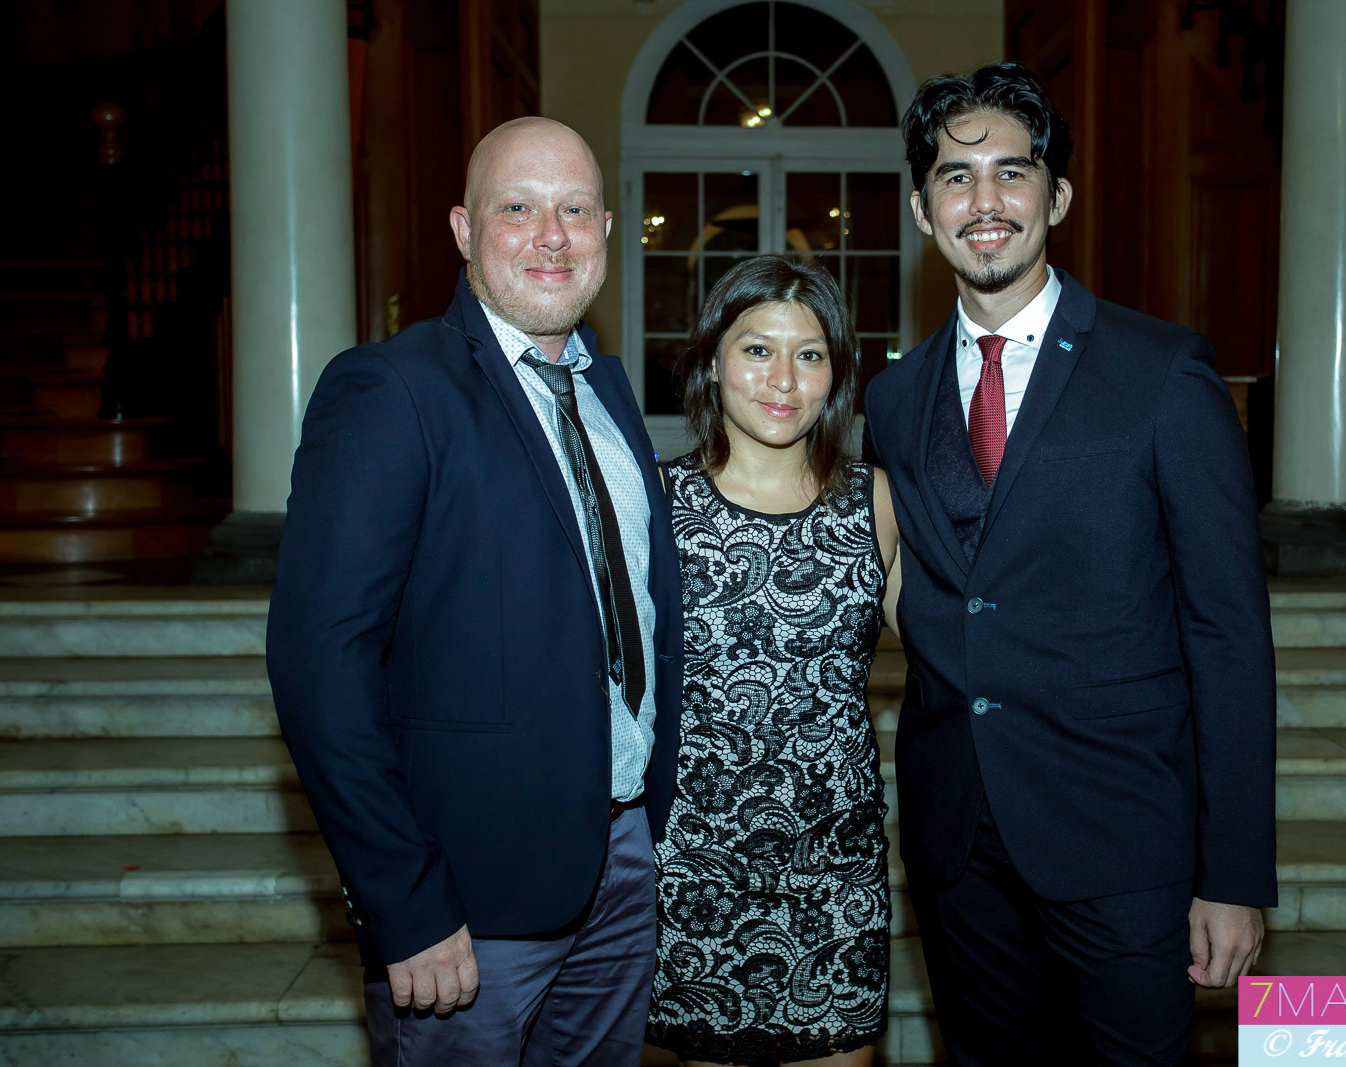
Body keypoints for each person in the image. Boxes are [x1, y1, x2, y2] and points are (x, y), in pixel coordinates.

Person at [860, 62, 1277, 1066]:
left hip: (1122, 837)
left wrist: (1233, 872)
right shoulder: (894, 397)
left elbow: (1227, 633)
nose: (986, 201)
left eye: (1013, 172)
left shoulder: (1161, 371)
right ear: (923, 208)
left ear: (1057, 195)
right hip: (957, 841)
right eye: (955, 179)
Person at [266, 116, 683, 1066]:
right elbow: (317, 659)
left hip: (620, 868)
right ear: (463, 230)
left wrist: (646, 833)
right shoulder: (390, 388)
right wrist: (403, 900)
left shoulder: (609, 395)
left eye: (576, 209)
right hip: (466, 899)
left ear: (608, 231)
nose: (552, 233)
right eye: (518, 208)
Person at [647, 255, 901, 1067]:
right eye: (757, 349)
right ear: (712, 361)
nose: (783, 378)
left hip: (836, 873)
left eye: (811, 352)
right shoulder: (655, 507)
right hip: (696, 872)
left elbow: (970, 657)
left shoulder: (880, 502)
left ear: (838, 373)